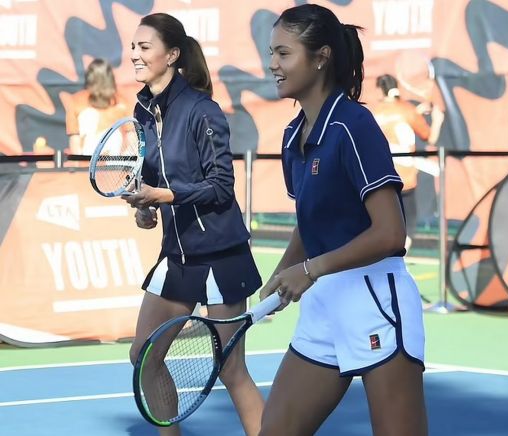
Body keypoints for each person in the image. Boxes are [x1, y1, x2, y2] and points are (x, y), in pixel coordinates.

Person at [259, 4, 427, 436]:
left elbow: (390, 233)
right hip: (323, 301)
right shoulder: (292, 137)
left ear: (321, 57)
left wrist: (309, 270)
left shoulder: (354, 124)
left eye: (283, 53)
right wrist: (281, 273)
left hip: (375, 298)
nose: (272, 64)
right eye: (272, 53)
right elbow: (309, 222)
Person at [121, 13, 263, 436]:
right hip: (177, 256)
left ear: (172, 55)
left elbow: (220, 187)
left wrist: (164, 196)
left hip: (221, 255)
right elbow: (155, 177)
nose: (135, 55)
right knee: (143, 357)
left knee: (231, 369)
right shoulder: (142, 111)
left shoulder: (203, 111)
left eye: (145, 47)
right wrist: (146, 209)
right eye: (133, 47)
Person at [373, 74, 444, 251]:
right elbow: (430, 137)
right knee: (407, 223)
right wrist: (437, 120)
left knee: (384, 222)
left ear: (381, 90)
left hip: (381, 176)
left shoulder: (374, 113)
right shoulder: (407, 110)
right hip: (405, 178)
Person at [65, 58, 130, 155]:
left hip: (115, 161)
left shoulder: (122, 104)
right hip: (87, 160)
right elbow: (75, 140)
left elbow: (131, 137)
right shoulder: (76, 101)